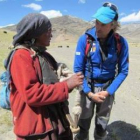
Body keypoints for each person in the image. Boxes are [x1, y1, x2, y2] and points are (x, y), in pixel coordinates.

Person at [9, 13, 84, 140]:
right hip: (37, 130)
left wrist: (68, 82)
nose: (52, 34)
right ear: (36, 33)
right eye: (48, 31)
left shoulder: (45, 55)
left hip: (56, 122)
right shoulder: (21, 56)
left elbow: (52, 84)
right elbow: (31, 94)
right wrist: (67, 85)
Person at [73, 2, 129, 140]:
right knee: (83, 126)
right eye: (97, 22)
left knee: (101, 126)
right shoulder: (85, 40)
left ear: (113, 25)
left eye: (103, 24)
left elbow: (123, 71)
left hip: (106, 90)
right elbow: (78, 70)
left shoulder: (121, 43)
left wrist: (108, 91)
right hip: (87, 88)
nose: (98, 27)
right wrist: (89, 93)